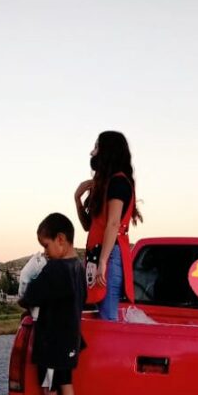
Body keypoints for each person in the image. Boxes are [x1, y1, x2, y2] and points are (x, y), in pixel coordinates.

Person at [19, 212, 86, 395]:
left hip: (52, 339)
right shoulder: (78, 267)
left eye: (46, 245)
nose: (45, 252)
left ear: (60, 239)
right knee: (65, 379)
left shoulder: (55, 268)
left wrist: (26, 290)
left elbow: (30, 297)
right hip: (71, 337)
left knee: (48, 380)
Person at [74, 130, 142, 321]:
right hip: (100, 254)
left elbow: (113, 223)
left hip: (108, 254)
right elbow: (89, 226)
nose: (92, 152)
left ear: (107, 151)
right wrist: (77, 199)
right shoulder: (103, 185)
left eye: (96, 147)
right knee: (102, 309)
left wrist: (103, 262)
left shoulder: (118, 182)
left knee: (108, 313)